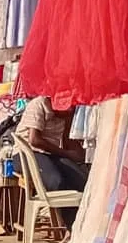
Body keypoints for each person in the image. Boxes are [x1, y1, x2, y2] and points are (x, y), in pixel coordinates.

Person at [15, 96, 89, 228]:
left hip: (50, 153)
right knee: (57, 182)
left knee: (82, 180)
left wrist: (79, 157)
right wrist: (66, 154)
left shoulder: (68, 113)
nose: (69, 112)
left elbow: (67, 141)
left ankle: (80, 227)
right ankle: (71, 227)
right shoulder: (39, 104)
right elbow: (34, 140)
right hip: (28, 153)